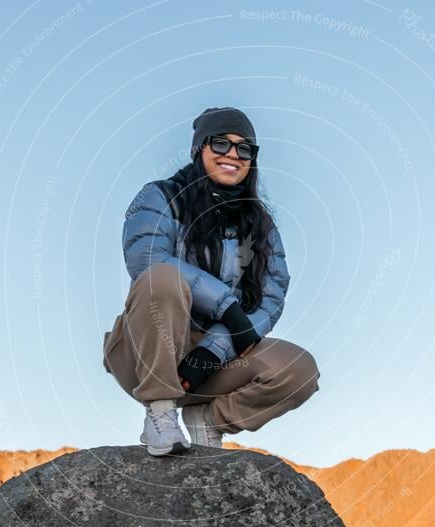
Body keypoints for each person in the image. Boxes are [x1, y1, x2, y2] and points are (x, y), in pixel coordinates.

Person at [102, 106, 320, 456]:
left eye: (244, 148)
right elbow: (147, 260)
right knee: (163, 278)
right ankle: (160, 413)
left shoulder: (261, 224)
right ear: (199, 149)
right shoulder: (160, 197)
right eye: (220, 144)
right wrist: (227, 306)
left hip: (216, 361)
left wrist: (215, 348)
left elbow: (272, 294)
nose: (233, 154)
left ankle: (209, 419)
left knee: (300, 372)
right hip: (148, 350)